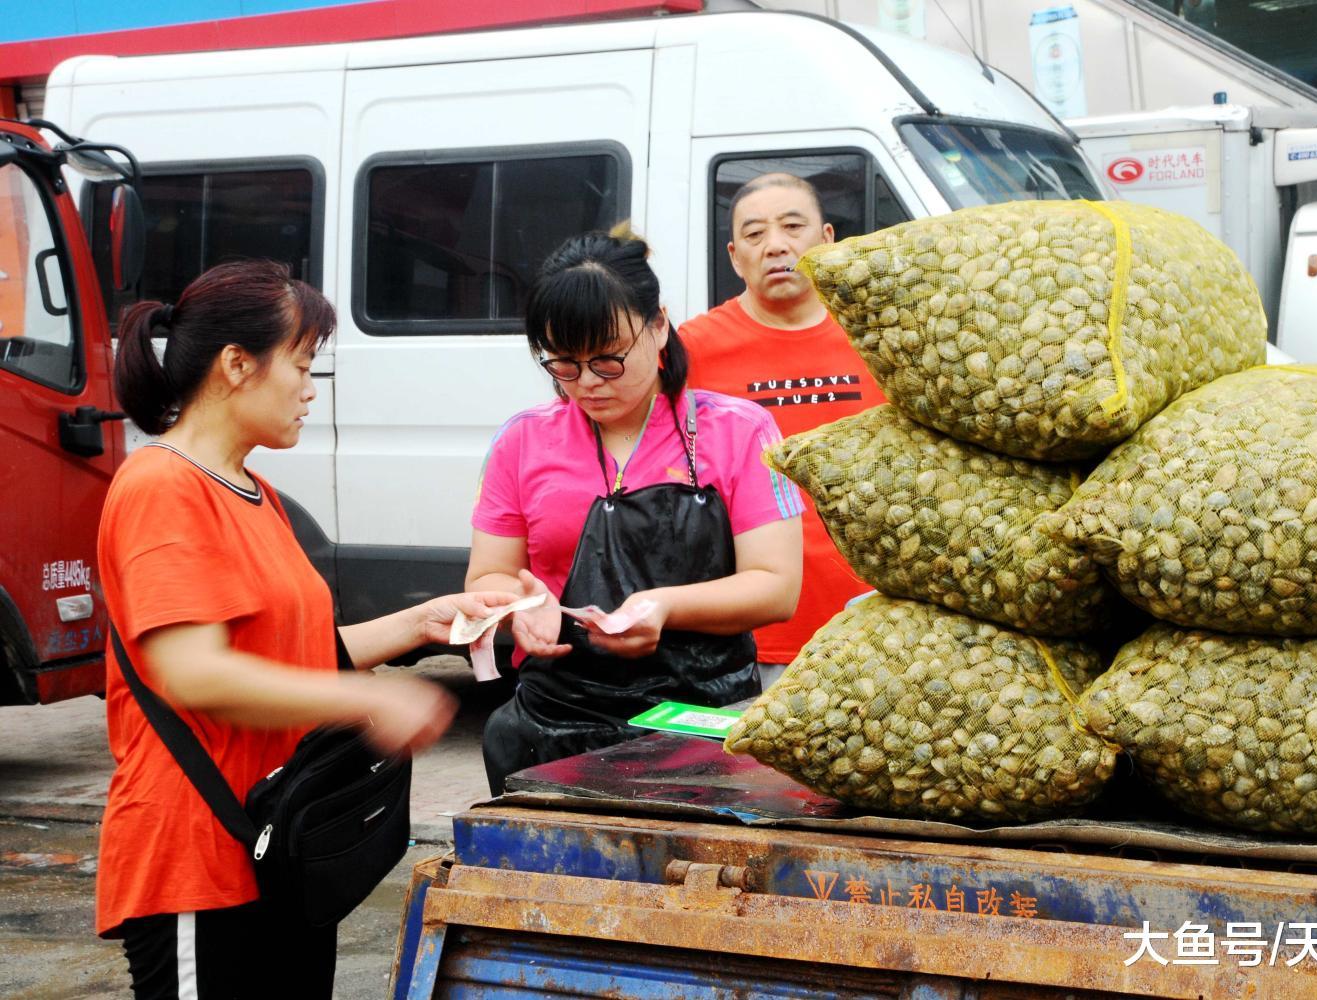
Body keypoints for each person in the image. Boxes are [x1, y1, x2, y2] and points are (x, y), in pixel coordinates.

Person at [97, 260, 516, 999]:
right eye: (299, 366)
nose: (309, 391)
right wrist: (370, 703)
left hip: (277, 842)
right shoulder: (162, 486)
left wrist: (423, 621)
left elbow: (302, 654)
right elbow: (195, 673)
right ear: (235, 365)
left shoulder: (257, 493)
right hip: (198, 852)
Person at [466, 228, 803, 792]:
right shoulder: (522, 441)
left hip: (702, 724)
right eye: (564, 366)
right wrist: (522, 605)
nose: (588, 385)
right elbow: (487, 574)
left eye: (608, 361)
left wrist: (662, 607)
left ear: (658, 325)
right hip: (554, 726)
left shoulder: (738, 431)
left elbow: (776, 587)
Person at [679, 173, 886, 681]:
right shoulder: (691, 351)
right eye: (754, 235)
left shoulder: (881, 335)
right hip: (756, 637)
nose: (776, 246)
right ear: (733, 256)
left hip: (882, 624)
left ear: (828, 239)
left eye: (793, 226)